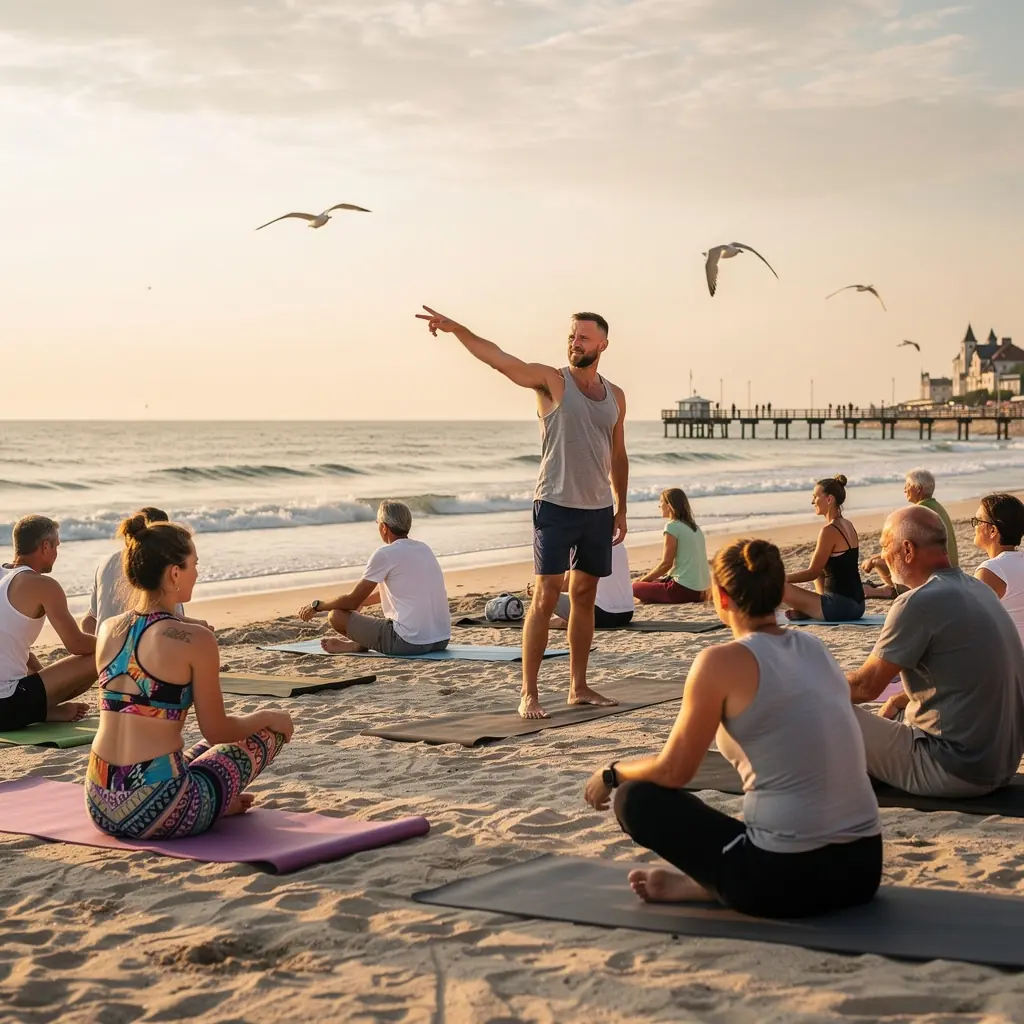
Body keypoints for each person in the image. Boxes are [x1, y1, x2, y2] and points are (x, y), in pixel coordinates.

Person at [583, 538, 881, 918]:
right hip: (862, 871)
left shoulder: (718, 662)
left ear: (722, 598)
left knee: (634, 798)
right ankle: (710, 881)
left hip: (784, 879)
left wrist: (611, 773)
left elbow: (675, 771)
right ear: (778, 594)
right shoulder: (815, 649)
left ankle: (713, 883)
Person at [416, 305, 627, 719]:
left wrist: (620, 508)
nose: (575, 342)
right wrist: (460, 329)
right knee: (546, 595)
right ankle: (529, 692)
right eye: (571, 336)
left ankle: (578, 686)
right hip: (554, 503)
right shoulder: (552, 381)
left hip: (598, 508)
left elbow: (618, 454)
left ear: (602, 344)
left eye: (584, 337)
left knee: (584, 596)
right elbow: (501, 360)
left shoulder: (615, 395)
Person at [86, 515, 293, 839]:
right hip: (159, 806)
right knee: (267, 732)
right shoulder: (194, 638)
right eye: (194, 564)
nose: (198, 572)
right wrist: (268, 716)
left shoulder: (108, 630)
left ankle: (212, 800)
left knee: (193, 755)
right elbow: (218, 731)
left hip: (99, 801)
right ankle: (210, 803)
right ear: (174, 573)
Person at [847, 505, 1024, 798]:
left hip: (954, 769)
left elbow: (865, 686)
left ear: (907, 550)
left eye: (884, 546)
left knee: (821, 704)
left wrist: (808, 686)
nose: (883, 555)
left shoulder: (917, 602)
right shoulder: (977, 589)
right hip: (1000, 764)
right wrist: (901, 699)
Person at [297, 500, 450, 655]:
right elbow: (403, 591)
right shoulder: (424, 549)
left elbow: (352, 601)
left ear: (384, 528)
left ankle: (358, 645)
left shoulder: (385, 554)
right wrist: (362, 602)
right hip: (440, 640)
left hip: (407, 643)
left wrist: (317, 606)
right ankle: (357, 644)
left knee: (336, 615)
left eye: (378, 523)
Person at [0, 515, 97, 730]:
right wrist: (118, 643)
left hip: (8, 701)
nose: (56, 553)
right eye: (56, 546)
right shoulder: (43, 585)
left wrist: (46, 682)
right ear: (45, 546)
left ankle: (44, 707)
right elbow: (76, 644)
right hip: (6, 706)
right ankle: (44, 710)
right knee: (102, 655)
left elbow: (12, 647)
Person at [81, 506, 209, 634]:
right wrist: (200, 627)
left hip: (110, 638)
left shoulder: (107, 562)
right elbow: (166, 618)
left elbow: (88, 621)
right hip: (150, 637)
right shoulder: (158, 565)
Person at [862, 467, 960, 598]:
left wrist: (873, 560)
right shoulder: (936, 508)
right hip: (950, 571)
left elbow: (899, 548)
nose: (904, 489)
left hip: (932, 576)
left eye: (907, 485)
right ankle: (886, 589)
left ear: (918, 488)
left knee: (883, 561)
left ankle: (890, 590)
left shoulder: (918, 513)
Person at [782, 475, 865, 621]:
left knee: (777, 586)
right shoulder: (848, 524)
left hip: (840, 608)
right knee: (823, 569)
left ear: (829, 499)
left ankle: (810, 609)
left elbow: (811, 573)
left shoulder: (829, 530)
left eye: (815, 496)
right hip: (858, 605)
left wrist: (781, 578)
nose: (813, 501)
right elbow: (820, 572)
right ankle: (809, 610)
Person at [633, 488, 709, 604]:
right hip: (702, 591)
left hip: (683, 591)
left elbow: (666, 564)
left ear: (669, 505)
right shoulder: (695, 527)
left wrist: (644, 580)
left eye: (661, 502)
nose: (659, 506)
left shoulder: (672, 527)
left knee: (635, 587)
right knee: (654, 583)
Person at [546, 542, 634, 630]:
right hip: (626, 614)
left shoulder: (580, 542)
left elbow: (565, 586)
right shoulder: (618, 543)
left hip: (599, 614)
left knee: (542, 593)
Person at [973, 493, 1024, 641]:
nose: (974, 526)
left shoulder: (991, 571)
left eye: (977, 521)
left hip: (1012, 658)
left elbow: (970, 621)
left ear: (993, 531)